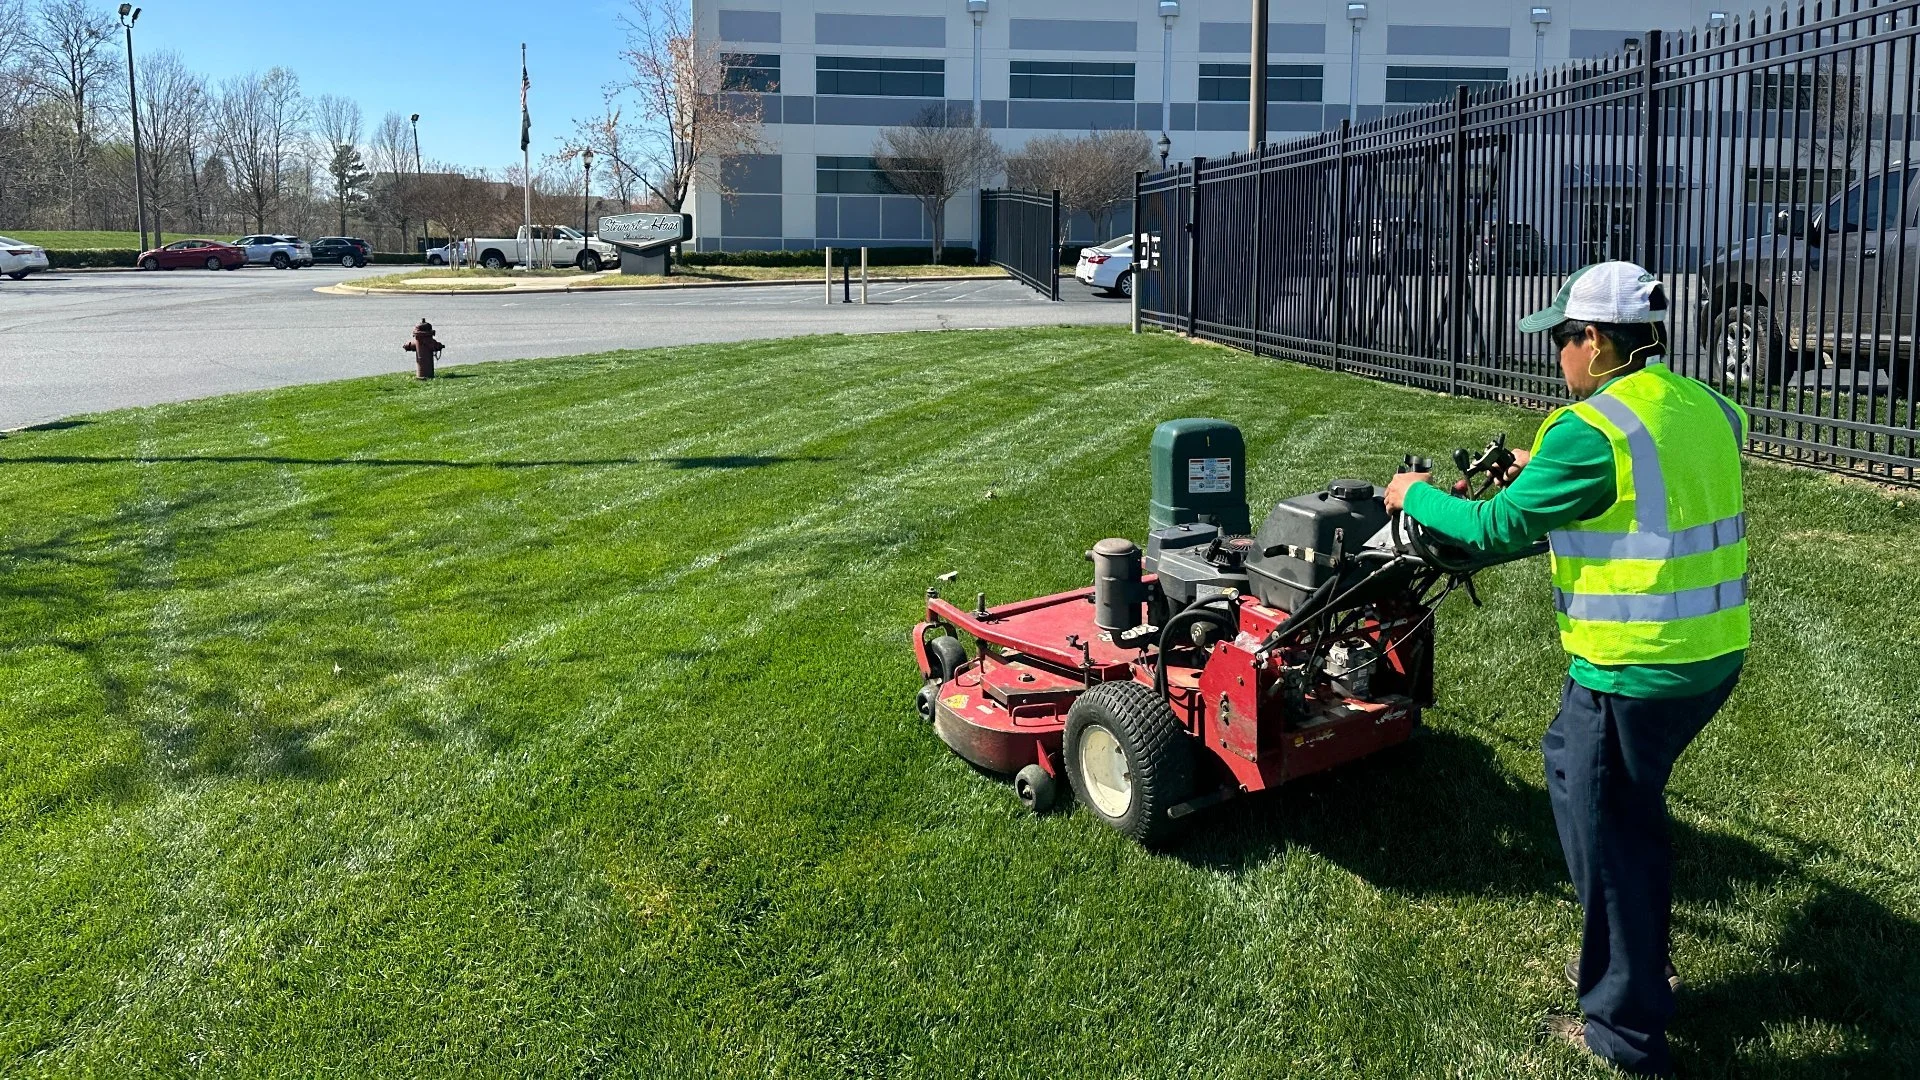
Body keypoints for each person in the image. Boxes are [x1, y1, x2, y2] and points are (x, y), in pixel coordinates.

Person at [1383, 261, 1749, 1077]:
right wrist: (1539, 463)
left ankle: (1626, 1027)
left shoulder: (1589, 430)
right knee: (1583, 774)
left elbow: (1497, 529)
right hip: (1713, 656)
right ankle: (1641, 955)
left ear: (1596, 341)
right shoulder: (1711, 407)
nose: (1556, 355)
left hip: (1637, 666)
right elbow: (1655, 478)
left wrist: (1413, 493)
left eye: (1561, 338)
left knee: (1610, 829)